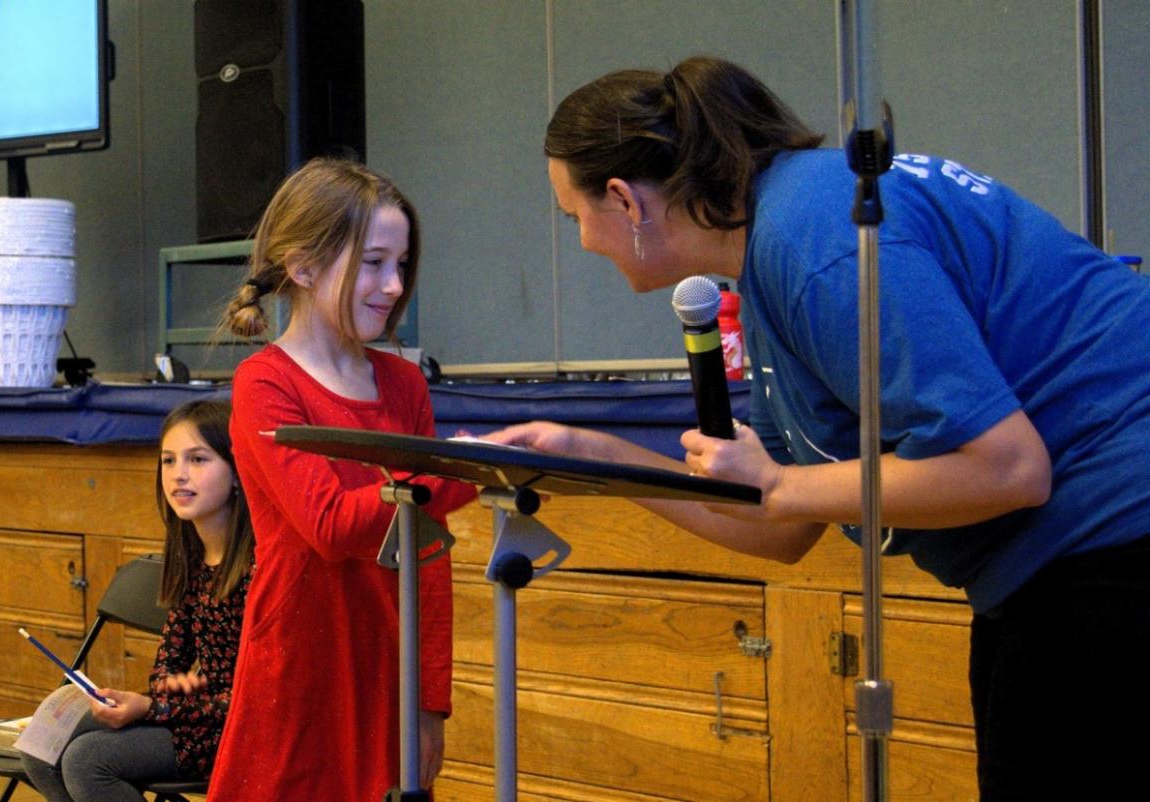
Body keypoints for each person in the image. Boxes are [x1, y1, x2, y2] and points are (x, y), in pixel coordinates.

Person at [483, 56, 1150, 800]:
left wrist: (783, 485)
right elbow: (780, 523)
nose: (581, 244)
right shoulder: (770, 259)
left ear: (624, 200)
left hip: (1116, 532)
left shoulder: (815, 239)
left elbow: (1007, 469)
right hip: (1053, 564)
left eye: (574, 218)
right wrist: (590, 455)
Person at [206, 157, 477, 801]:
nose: (391, 285)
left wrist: (430, 700)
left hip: (389, 663)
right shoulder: (265, 383)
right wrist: (458, 473)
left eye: (401, 264)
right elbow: (328, 526)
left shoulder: (405, 383)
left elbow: (426, 555)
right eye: (374, 261)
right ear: (301, 267)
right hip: (300, 663)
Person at [20, 399, 254, 802]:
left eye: (198, 459)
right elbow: (169, 661)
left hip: (239, 732)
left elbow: (250, 700)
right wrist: (161, 694)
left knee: (86, 761)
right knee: (41, 747)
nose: (179, 475)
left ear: (236, 473)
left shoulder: (258, 568)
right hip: (195, 718)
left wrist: (153, 708)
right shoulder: (191, 557)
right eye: (168, 460)